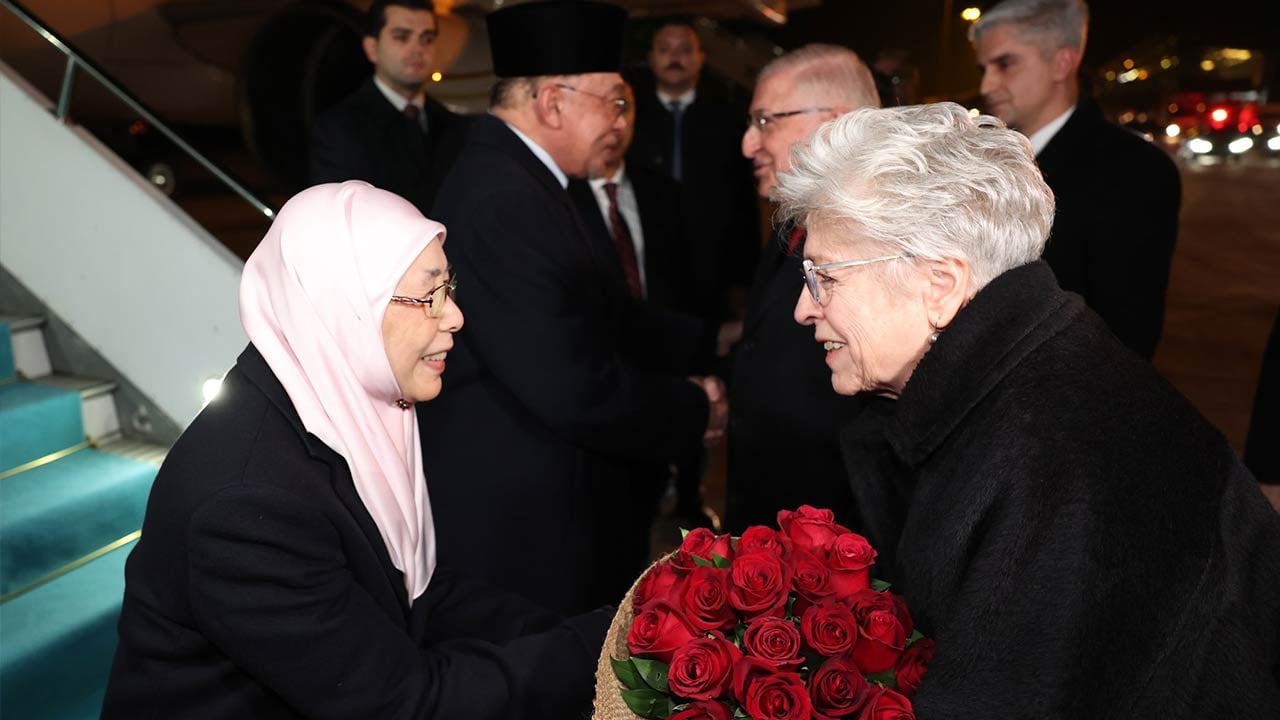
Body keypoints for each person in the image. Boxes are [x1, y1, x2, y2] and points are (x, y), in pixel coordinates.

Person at [782, 102, 1280, 717]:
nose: (805, 309)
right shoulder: (1033, 380)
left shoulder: (1057, 466)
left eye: (824, 276)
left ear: (939, 285)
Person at [102, 182, 610, 719]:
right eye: (429, 293)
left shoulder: (345, 409)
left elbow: (418, 596)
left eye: (449, 286)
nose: (455, 315)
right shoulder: (246, 501)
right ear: (343, 306)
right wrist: (592, 648)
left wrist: (602, 632)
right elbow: (403, 705)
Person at [419, 0, 725, 615]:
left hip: (550, 498)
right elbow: (569, 382)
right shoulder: (504, 196)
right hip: (519, 527)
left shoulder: (535, 181)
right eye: (611, 100)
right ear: (553, 102)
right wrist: (695, 406)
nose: (620, 119)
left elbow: (603, 307)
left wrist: (712, 342)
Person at [970, 0, 1181, 361]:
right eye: (984, 67)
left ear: (1062, 62)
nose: (987, 84)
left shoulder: (1133, 171)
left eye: (1005, 64)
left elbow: (1124, 336)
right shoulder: (982, 160)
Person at [724, 45, 879, 533]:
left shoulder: (887, 238)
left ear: (836, 120)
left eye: (766, 121)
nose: (750, 143)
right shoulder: (794, 217)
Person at [628, 18, 760, 324]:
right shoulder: (632, 121)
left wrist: (745, 281)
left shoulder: (726, 119)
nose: (675, 58)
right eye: (665, 50)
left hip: (713, 268)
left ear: (701, 57)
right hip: (647, 261)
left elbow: (742, 201)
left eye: (685, 50)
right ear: (651, 58)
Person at [309, 0, 468, 215]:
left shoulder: (456, 126)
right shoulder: (338, 129)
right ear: (372, 48)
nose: (418, 49)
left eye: (427, 39)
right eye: (402, 37)